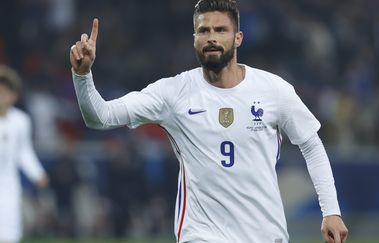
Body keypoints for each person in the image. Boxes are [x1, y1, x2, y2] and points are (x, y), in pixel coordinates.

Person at [69, 0, 348, 242]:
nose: (212, 37)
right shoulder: (173, 93)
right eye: (204, 30)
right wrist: (83, 76)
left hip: (265, 234)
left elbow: (311, 145)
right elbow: (100, 117)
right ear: (194, 38)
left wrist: (331, 211)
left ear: (238, 38)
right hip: (202, 235)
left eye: (220, 30)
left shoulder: (273, 90)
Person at [0, 65, 49, 243]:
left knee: (8, 232)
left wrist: (37, 173)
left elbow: (23, 151)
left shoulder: (21, 121)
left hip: (8, 184)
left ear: (14, 95)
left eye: (5, 92)